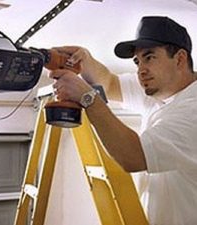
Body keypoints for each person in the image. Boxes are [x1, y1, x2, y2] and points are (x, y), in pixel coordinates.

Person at [49, 16, 197, 225]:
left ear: (180, 59)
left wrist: (88, 98)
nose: (141, 70)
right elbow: (110, 83)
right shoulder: (158, 92)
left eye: (149, 57)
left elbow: (134, 156)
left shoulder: (193, 109)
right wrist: (86, 61)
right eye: (137, 61)